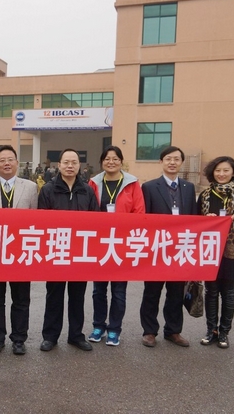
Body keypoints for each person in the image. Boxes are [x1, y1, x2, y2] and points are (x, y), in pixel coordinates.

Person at [38, 148, 99, 352]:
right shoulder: (48, 190)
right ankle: (50, 336)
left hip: (80, 253)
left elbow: (96, 222)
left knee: (77, 297)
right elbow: (41, 222)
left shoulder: (87, 191)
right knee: (54, 296)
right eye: (66, 162)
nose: (70, 166)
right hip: (56, 251)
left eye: (74, 162)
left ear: (79, 166)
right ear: (59, 165)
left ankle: (76, 335)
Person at [0, 145, 38, 355]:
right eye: (2, 160)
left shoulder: (31, 187)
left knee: (21, 298)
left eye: (10, 159)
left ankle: (19, 339)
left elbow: (36, 220)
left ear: (17, 163)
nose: (6, 163)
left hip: (21, 252)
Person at [140, 146, 198, 348]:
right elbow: (144, 219)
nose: (172, 162)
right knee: (152, 292)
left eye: (176, 159)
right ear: (161, 162)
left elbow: (194, 217)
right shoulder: (149, 187)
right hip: (157, 248)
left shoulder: (188, 188)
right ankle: (149, 331)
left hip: (180, 248)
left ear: (181, 162)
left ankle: (173, 331)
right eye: (168, 159)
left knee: (176, 292)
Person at [87, 146, 145, 346]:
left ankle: (114, 329)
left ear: (121, 161)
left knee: (119, 291)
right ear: (102, 162)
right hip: (100, 244)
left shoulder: (132, 183)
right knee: (98, 290)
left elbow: (139, 213)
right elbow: (88, 212)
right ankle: (98, 326)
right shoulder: (94, 183)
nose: (111, 162)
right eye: (107, 159)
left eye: (115, 159)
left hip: (122, 244)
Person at [197, 156, 234, 349]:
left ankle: (224, 332)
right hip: (210, 249)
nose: (221, 174)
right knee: (211, 291)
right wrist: (206, 219)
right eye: (218, 170)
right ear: (212, 172)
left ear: (233, 173)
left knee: (228, 292)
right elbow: (195, 221)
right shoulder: (205, 195)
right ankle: (211, 330)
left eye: (226, 170)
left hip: (232, 250)